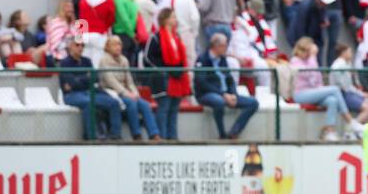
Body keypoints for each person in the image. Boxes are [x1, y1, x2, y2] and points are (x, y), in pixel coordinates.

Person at [194, 32, 259, 140]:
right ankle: (222, 134)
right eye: (225, 46)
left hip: (226, 94)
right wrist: (223, 95)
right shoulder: (202, 59)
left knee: (253, 103)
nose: (226, 49)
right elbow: (202, 83)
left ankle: (234, 132)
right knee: (219, 102)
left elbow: (229, 79)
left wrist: (233, 94)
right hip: (208, 94)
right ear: (216, 46)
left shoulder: (222, 59)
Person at [59, 34, 123, 140]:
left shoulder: (86, 61)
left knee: (114, 103)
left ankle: (115, 136)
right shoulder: (65, 63)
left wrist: (79, 80)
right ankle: (92, 137)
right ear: (70, 46)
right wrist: (86, 78)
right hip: (72, 95)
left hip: (90, 92)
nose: (80, 48)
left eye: (82, 45)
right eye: (77, 45)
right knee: (89, 103)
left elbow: (96, 78)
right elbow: (72, 84)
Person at [292, 36, 356, 140]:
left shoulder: (309, 61)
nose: (308, 54)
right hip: (300, 94)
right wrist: (313, 56)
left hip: (312, 92)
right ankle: (350, 121)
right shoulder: (295, 61)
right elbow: (310, 76)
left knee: (332, 100)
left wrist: (312, 59)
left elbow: (317, 80)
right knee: (334, 89)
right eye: (307, 51)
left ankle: (329, 131)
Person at [99, 35, 160, 140]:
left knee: (145, 105)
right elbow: (111, 82)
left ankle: (154, 134)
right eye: (114, 44)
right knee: (131, 103)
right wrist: (127, 94)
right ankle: (136, 134)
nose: (118, 47)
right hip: (110, 92)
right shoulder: (104, 60)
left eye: (119, 44)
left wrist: (135, 93)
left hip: (126, 93)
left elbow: (129, 81)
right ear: (108, 47)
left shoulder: (124, 60)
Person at [143, 8, 192, 141]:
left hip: (176, 78)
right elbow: (147, 57)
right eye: (173, 17)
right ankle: (162, 138)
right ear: (165, 19)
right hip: (163, 78)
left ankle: (173, 138)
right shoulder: (155, 37)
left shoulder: (177, 37)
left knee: (174, 108)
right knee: (164, 107)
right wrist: (161, 69)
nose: (175, 20)